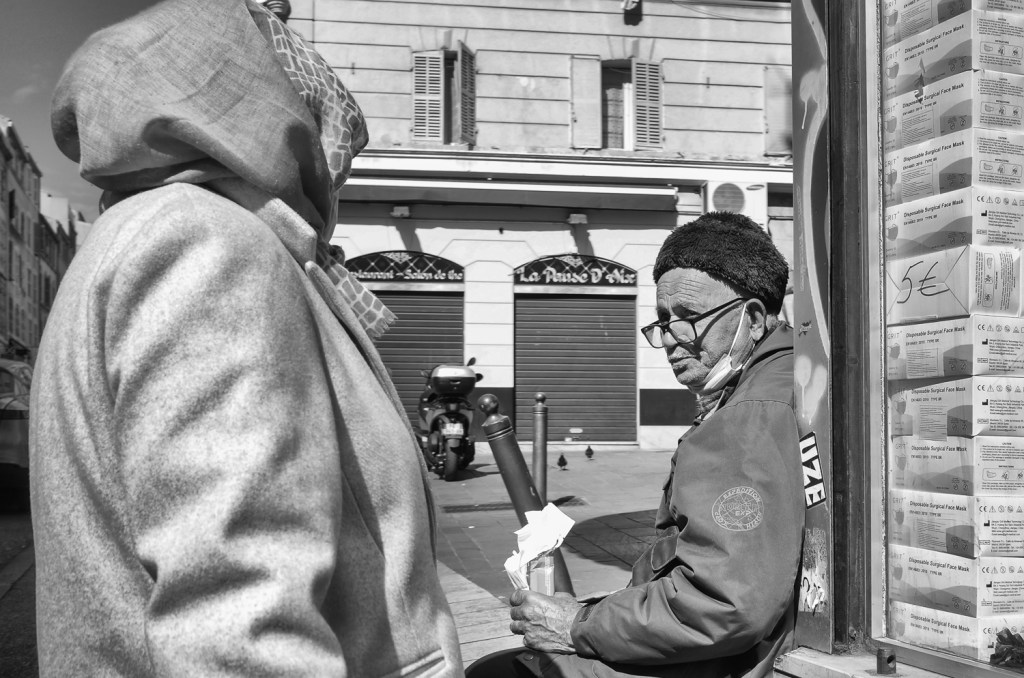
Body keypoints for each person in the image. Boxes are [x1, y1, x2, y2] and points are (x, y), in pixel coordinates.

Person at [31, 0, 463, 675]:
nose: (333, 167)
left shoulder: (141, 234)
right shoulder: (206, 242)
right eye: (321, 131)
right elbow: (239, 628)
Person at [471, 212, 804, 678]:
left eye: (689, 317)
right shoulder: (782, 376)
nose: (670, 338)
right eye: (664, 320)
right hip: (728, 643)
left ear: (751, 318)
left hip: (731, 662)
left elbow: (725, 603)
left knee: (504, 673)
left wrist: (578, 623)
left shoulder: (749, 415)